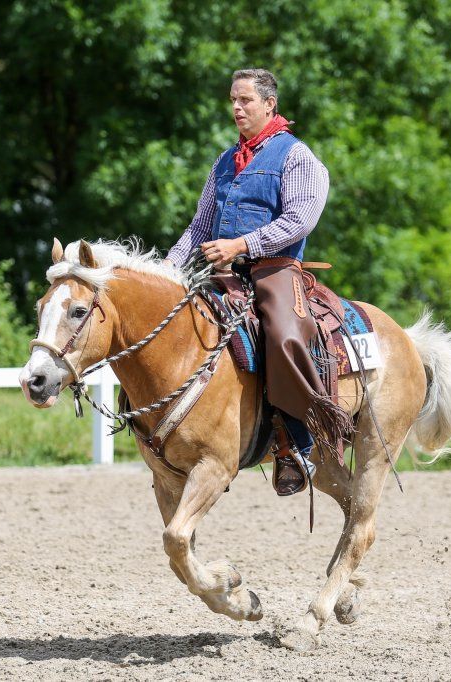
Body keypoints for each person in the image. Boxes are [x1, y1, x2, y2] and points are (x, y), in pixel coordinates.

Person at [164, 68, 345, 496]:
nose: (236, 109)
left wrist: (241, 244)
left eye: (245, 100)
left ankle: (298, 444)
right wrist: (167, 273)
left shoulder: (297, 157)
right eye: (233, 100)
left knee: (283, 336)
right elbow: (199, 227)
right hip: (221, 274)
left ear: (270, 105)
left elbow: (300, 220)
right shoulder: (225, 161)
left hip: (276, 271)